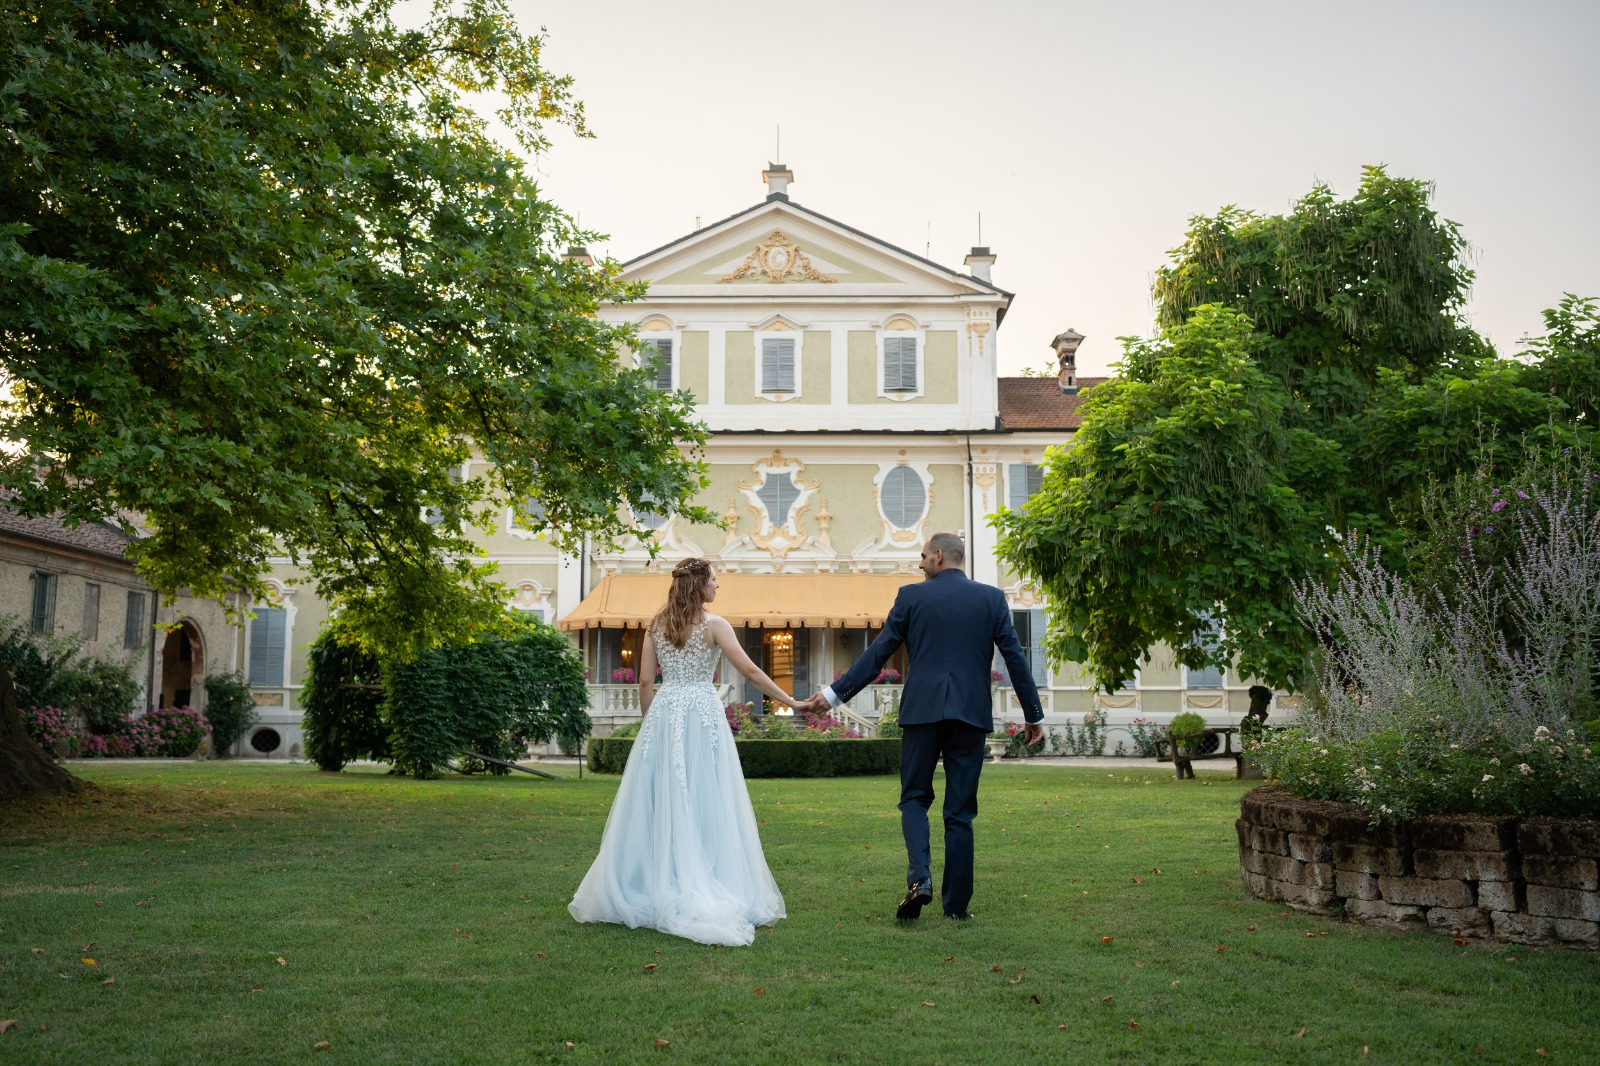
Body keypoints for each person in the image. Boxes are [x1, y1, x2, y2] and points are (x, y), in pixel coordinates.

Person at [799, 532, 1044, 921]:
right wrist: (1033, 713)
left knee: (914, 798)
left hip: (922, 713)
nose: (920, 563)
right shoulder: (991, 599)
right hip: (970, 715)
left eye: (924, 556)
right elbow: (1014, 657)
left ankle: (919, 881)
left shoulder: (911, 597)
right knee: (960, 812)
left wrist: (831, 696)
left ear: (940, 556)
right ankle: (957, 909)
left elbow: (879, 653)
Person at [568, 557, 794, 946]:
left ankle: (652, 879)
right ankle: (707, 876)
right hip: (702, 714)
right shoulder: (715, 626)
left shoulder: (656, 626)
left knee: (661, 797)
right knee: (708, 795)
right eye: (714, 579)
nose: (718, 585)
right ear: (699, 586)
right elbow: (752, 673)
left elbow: (644, 681)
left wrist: (649, 727)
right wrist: (791, 700)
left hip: (665, 712)